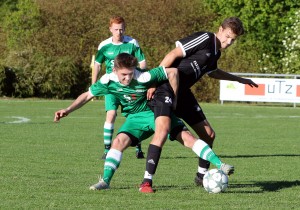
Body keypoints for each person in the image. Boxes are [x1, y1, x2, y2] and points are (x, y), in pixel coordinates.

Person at [54, 53, 234, 193]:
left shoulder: (142, 77)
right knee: (118, 143)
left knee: (187, 138)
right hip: (134, 119)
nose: (127, 78)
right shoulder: (107, 81)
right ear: (115, 70)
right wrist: (67, 110)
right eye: (124, 74)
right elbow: (87, 95)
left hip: (154, 113)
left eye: (130, 74)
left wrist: (175, 97)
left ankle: (220, 164)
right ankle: (105, 181)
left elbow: (173, 72)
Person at [144, 17, 258, 189]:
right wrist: (154, 81)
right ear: (220, 29)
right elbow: (173, 54)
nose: (228, 42)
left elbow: (213, 72)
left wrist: (239, 79)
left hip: (183, 93)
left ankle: (201, 176)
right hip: (166, 86)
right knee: (162, 131)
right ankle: (147, 181)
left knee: (209, 135)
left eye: (233, 40)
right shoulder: (205, 38)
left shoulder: (216, 52)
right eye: (227, 36)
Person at [93, 16, 148, 159]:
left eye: (122, 29)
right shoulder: (104, 45)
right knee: (111, 114)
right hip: (111, 87)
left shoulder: (132, 43)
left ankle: (138, 147)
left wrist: (141, 79)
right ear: (110, 29)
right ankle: (106, 150)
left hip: (130, 86)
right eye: (116, 29)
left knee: (135, 116)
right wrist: (94, 84)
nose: (119, 32)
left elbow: (142, 62)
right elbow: (97, 65)